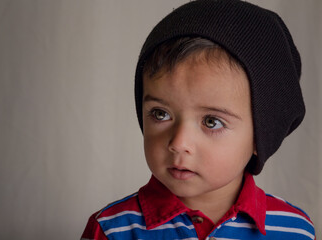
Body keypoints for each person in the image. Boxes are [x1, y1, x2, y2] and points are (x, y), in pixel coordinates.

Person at [81, 0, 315, 239]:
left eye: (212, 121)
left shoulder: (295, 230)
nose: (179, 142)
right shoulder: (110, 230)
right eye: (161, 114)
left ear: (261, 137)